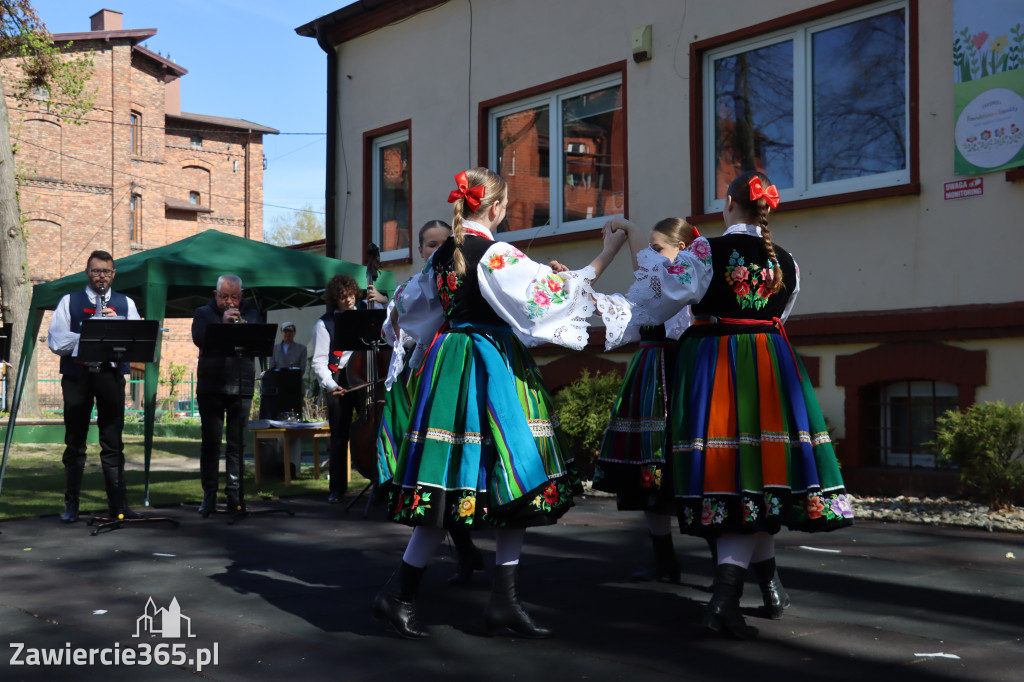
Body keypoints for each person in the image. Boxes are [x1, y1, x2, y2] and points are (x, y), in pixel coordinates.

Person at [372, 168, 626, 639]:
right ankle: (413, 594)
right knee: (516, 467)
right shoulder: (496, 253)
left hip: (450, 364)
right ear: (496, 208)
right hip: (492, 363)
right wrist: (606, 254)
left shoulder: (442, 256)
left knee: (448, 480)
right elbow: (554, 296)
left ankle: (474, 599)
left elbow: (406, 308)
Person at [597, 170, 852, 639]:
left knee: (730, 475)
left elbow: (662, 299)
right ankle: (760, 590)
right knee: (761, 474)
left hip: (718, 366)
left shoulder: (704, 250)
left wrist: (619, 270)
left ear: (728, 205)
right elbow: (778, 315)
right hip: (771, 364)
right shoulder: (787, 261)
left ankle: (727, 598)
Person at [591, 217, 698, 583]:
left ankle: (725, 561)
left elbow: (651, 277)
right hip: (649, 370)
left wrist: (631, 230)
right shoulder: (654, 286)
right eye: (650, 249)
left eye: (658, 249)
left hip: (678, 369)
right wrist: (577, 286)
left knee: (689, 465)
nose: (650, 257)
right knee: (647, 471)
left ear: (681, 249)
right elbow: (628, 307)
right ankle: (664, 559)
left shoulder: (688, 283)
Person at [378, 219, 484, 586]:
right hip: (413, 380)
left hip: (446, 375)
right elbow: (394, 331)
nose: (437, 249)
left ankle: (460, 552)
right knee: (422, 470)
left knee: (446, 469)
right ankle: (462, 551)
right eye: (430, 244)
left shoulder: (462, 282)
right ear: (421, 249)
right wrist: (395, 307)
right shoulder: (415, 284)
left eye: (443, 243)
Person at [47, 250, 142, 523]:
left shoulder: (126, 303)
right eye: (97, 271)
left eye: (107, 272)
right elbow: (57, 341)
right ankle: (72, 506)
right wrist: (92, 333)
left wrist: (116, 326)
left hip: (110, 376)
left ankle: (118, 505)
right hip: (78, 377)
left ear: (114, 274)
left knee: (113, 443)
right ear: (87, 273)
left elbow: (137, 340)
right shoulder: (69, 301)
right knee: (75, 442)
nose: (102, 276)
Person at [192, 274, 263, 515]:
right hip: (211, 386)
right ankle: (209, 496)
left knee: (237, 445)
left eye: (234, 297)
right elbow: (199, 338)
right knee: (211, 443)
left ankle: (235, 495)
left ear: (241, 296)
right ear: (215, 294)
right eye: (224, 297)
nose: (229, 302)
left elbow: (259, 341)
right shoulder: (203, 313)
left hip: (241, 386)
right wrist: (222, 323)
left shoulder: (251, 314)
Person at [310, 273, 364, 504]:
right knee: (339, 435)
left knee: (374, 428)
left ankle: (381, 482)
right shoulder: (324, 324)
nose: (349, 300)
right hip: (339, 378)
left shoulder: (367, 311)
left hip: (364, 375)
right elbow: (319, 362)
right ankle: (337, 488)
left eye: (351, 294)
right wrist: (332, 385)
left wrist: (382, 300)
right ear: (335, 299)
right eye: (343, 297)